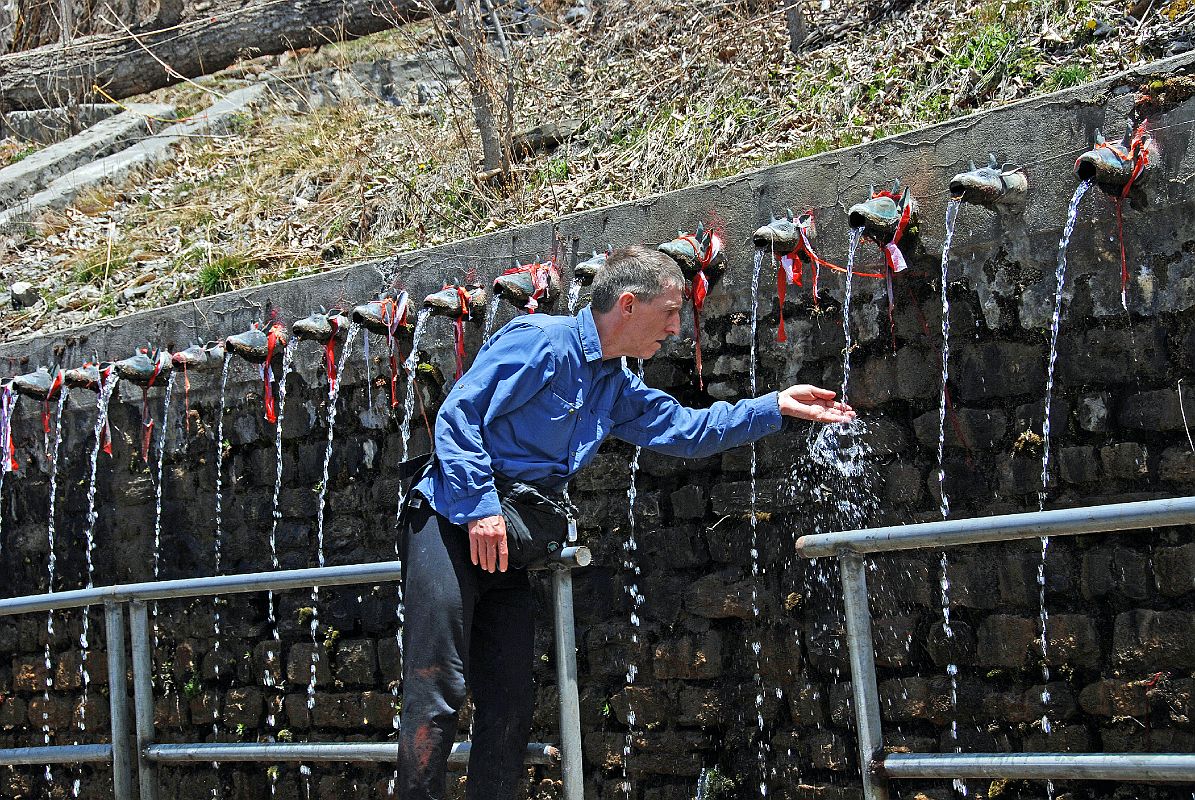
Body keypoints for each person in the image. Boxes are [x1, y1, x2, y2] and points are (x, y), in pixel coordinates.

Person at [397, 245, 855, 799]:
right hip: (449, 519)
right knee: (437, 686)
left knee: (511, 699)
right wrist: (481, 508)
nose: (678, 326)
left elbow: (685, 429)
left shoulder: (615, 385)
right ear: (629, 305)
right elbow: (458, 414)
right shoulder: (541, 342)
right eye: (670, 310)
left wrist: (775, 405)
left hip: (507, 540)